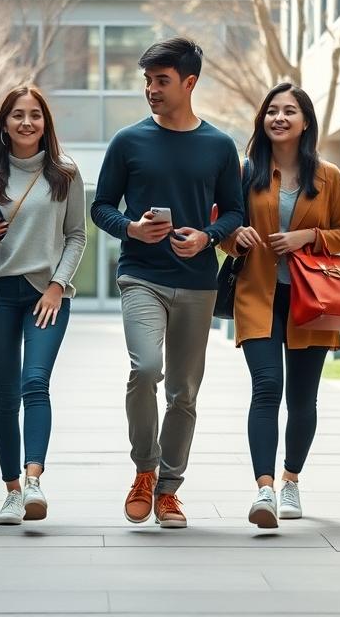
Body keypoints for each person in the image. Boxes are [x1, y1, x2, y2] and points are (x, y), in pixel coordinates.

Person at [91, 37, 244, 528]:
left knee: (183, 392)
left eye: (161, 81)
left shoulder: (219, 146)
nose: (151, 90)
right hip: (141, 276)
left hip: (198, 282)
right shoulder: (127, 141)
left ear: (189, 83)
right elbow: (101, 207)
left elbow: (236, 210)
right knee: (145, 368)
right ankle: (143, 471)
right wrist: (132, 228)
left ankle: (169, 490)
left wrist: (208, 237)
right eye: (148, 81)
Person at [222, 83, 340, 528]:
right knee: (267, 386)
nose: (279, 118)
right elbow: (223, 225)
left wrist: (308, 237)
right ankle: (264, 489)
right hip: (257, 294)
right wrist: (233, 238)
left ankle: (291, 480)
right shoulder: (245, 173)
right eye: (272, 111)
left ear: (305, 122)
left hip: (311, 299)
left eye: (289, 111)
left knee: (302, 398)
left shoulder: (328, 175)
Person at [0, 86, 87, 525]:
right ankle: (11, 491)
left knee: (35, 382)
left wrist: (58, 285)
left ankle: (34, 481)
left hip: (45, 296)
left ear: (45, 123)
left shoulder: (65, 173)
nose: (26, 123)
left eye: (35, 115)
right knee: (5, 393)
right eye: (18, 115)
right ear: (6, 123)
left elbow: (77, 235)